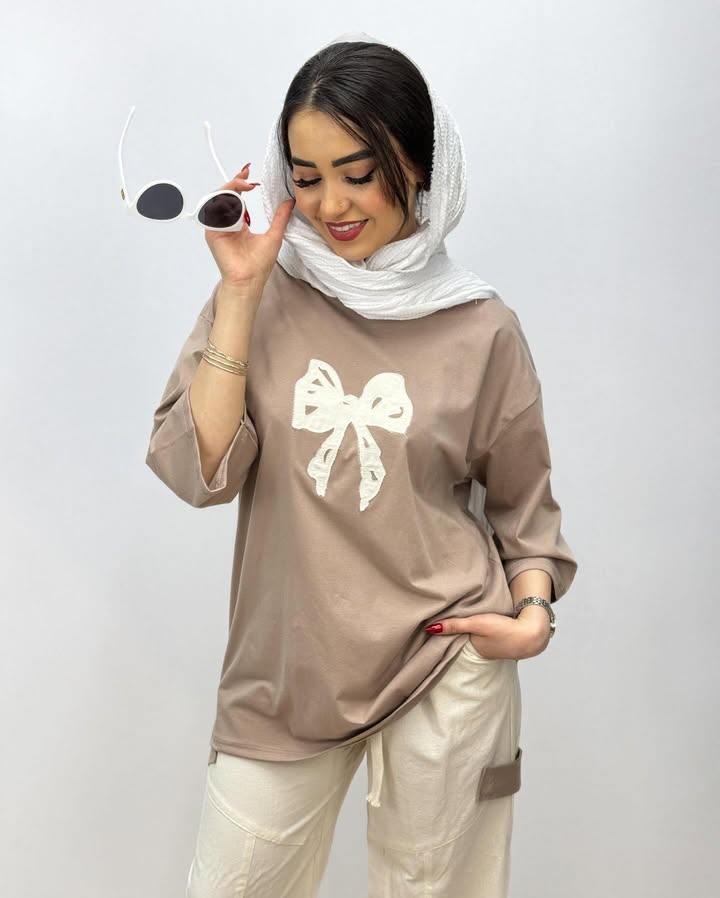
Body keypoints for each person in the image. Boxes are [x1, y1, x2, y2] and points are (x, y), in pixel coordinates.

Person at [145, 31, 578, 898]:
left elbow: (524, 511)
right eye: (305, 177)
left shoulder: (482, 327)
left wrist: (531, 616)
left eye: (358, 172)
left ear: (417, 165)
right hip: (283, 676)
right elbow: (200, 473)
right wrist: (240, 295)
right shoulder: (260, 290)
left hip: (445, 666)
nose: (330, 204)